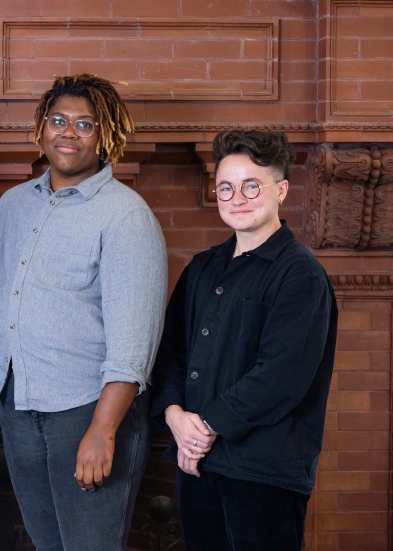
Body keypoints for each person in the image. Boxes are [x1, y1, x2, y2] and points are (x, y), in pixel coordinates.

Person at [0, 74, 167, 550]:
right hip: (18, 408)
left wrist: (102, 433)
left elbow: (133, 346)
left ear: (107, 137)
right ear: (42, 127)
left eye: (86, 124)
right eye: (58, 120)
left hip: (85, 413)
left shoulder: (126, 216)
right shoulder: (14, 205)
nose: (68, 132)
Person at [151, 130, 336, 551]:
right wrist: (176, 417)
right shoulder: (202, 269)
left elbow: (280, 376)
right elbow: (172, 355)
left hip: (264, 472)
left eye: (252, 185)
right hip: (198, 464)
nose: (238, 197)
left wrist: (206, 428)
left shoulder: (300, 275)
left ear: (281, 190)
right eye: (226, 187)